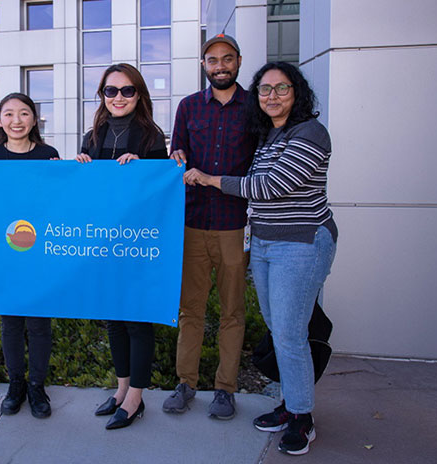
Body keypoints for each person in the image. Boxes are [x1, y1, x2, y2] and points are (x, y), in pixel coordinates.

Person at [184, 61, 337, 456]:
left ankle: (303, 419)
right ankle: (291, 405)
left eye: (281, 88)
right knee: (281, 329)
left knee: (289, 334)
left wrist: (210, 178)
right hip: (267, 244)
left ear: (296, 92)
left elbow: (270, 186)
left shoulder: (310, 133)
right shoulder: (271, 136)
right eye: (265, 89)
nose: (272, 96)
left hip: (301, 243)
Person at [163, 34, 256, 420]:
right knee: (191, 310)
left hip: (234, 225)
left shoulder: (254, 107)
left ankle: (225, 389)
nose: (220, 66)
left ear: (237, 62)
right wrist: (177, 154)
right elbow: (176, 152)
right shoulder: (187, 107)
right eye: (212, 60)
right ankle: (186, 384)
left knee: (233, 312)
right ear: (204, 64)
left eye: (227, 59)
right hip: (193, 223)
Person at [76, 63, 167, 430]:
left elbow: (161, 191)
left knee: (137, 320)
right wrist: (78, 167)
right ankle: (121, 389)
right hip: (102, 243)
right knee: (114, 320)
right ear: (102, 95)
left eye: (127, 91)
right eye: (110, 91)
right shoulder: (92, 136)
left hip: (138, 243)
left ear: (139, 95)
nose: (118, 98)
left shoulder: (151, 137)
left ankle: (136, 399)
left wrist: (143, 168)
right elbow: (83, 195)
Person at [0, 92, 59, 419]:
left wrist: (74, 172)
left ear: (34, 119)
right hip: (4, 250)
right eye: (9, 114)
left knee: (39, 323)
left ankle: (37, 386)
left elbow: (61, 201)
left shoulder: (49, 155)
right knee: (10, 321)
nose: (16, 121)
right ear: (0, 121)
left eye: (23, 113)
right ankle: (16, 384)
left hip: (39, 251)